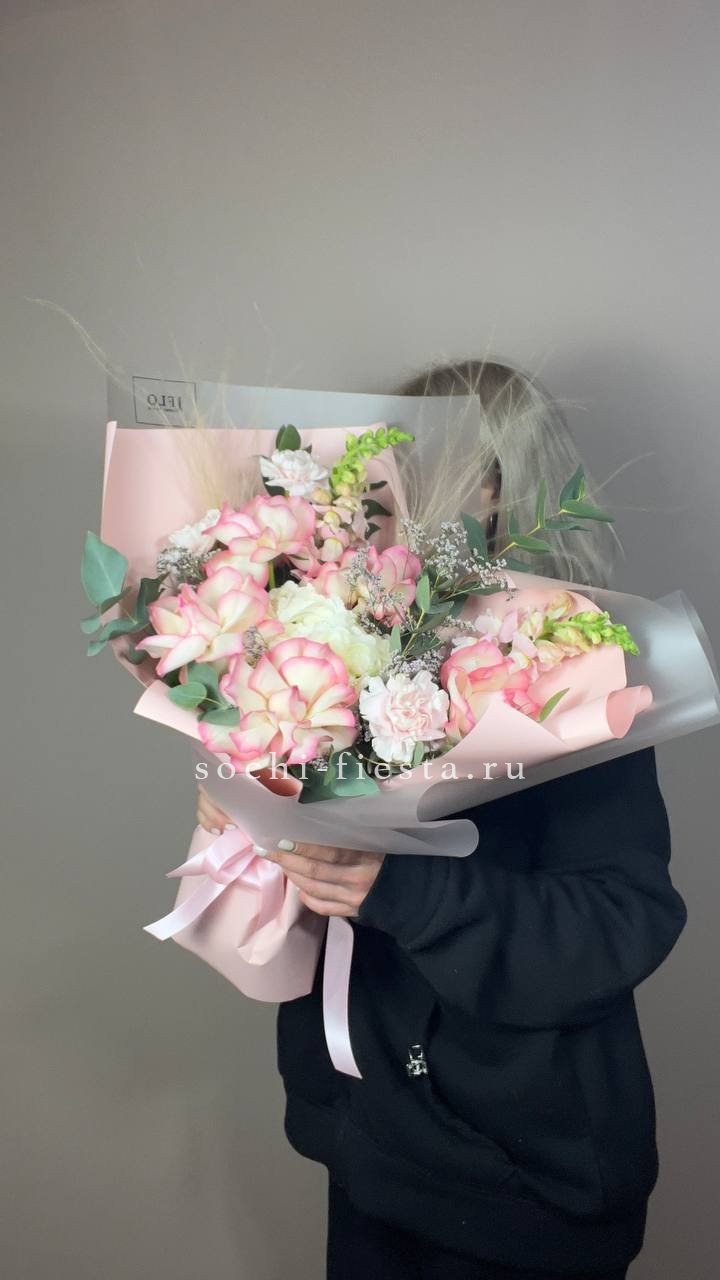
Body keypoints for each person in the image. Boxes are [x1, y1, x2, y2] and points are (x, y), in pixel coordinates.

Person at [197, 360, 687, 1279]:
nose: (378, 484)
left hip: (523, 1186)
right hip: (372, 1148)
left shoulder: (573, 671)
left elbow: (625, 922)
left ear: (499, 487)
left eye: (420, 460)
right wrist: (252, 820)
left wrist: (404, 889)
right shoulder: (351, 644)